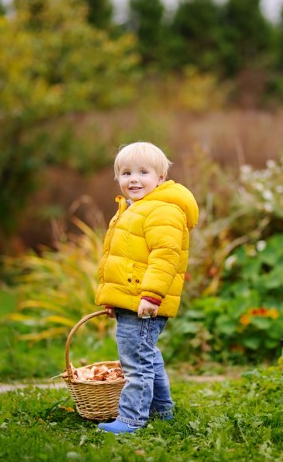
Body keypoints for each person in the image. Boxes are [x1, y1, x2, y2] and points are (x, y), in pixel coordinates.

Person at [95, 141, 199, 434]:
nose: (134, 179)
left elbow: (165, 257)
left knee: (135, 362)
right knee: (146, 354)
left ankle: (131, 419)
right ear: (117, 178)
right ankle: (161, 409)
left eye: (143, 172)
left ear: (161, 178)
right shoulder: (132, 209)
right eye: (126, 173)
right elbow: (122, 259)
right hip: (131, 298)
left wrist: (152, 295)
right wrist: (113, 297)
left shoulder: (162, 210)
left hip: (145, 300)